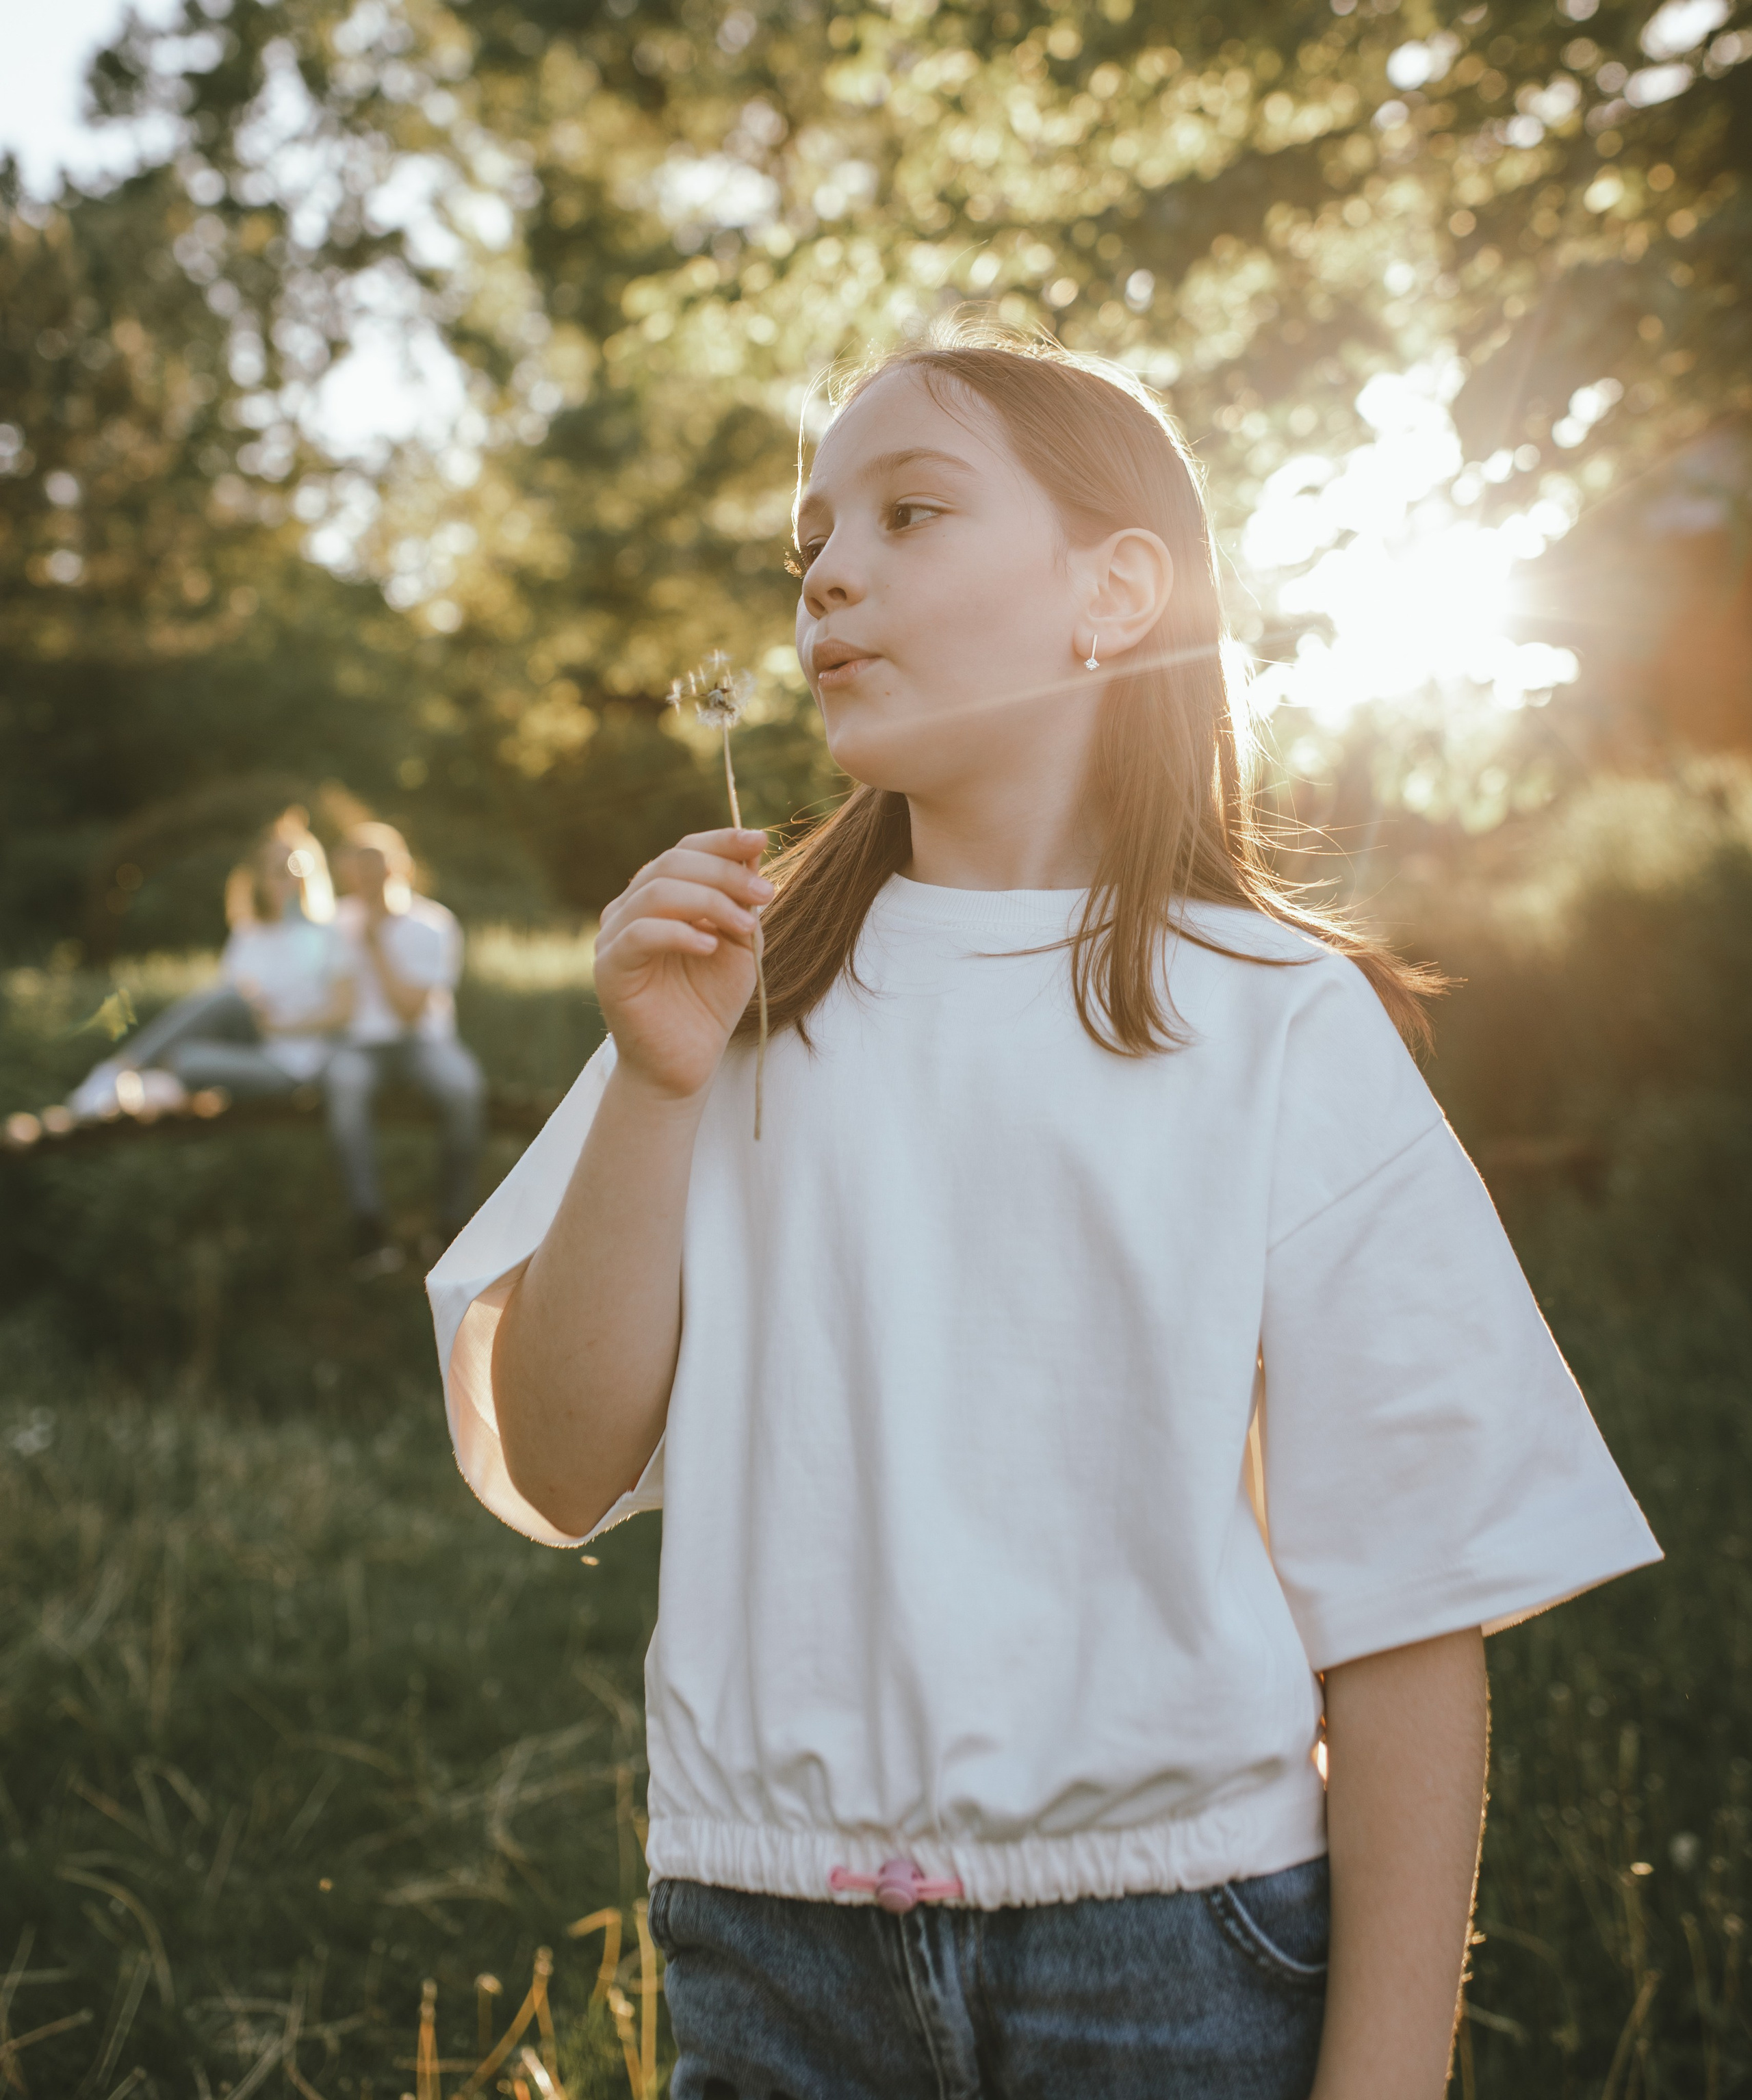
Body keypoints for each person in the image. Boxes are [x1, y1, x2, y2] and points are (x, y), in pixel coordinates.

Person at [428, 326, 1661, 2099]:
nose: (831, 573)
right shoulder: (741, 998)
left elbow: (1406, 1603)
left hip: (1173, 1939)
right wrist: (652, 1085)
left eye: (910, 512)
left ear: (1118, 591)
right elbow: (559, 1460)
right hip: (770, 1935)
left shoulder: (1272, 1021)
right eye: (809, 545)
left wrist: (1385, 2074)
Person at [68, 809, 352, 1120]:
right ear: (261, 878)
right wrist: (253, 1002)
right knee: (225, 999)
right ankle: (120, 1072)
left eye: (296, 868)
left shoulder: (328, 934)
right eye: (279, 870)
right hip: (248, 1042)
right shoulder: (249, 935)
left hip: (296, 1064)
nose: (290, 878)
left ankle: (127, 1080)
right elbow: (224, 1003)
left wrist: (279, 1025)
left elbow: (341, 1013)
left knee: (184, 1060)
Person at [328, 822, 485, 1275]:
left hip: (424, 1042)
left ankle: (452, 1226)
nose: (370, 877)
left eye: (379, 865)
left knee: (462, 1090)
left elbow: (410, 1010)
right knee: (343, 1088)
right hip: (360, 1047)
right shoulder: (336, 922)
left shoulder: (433, 923)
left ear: (402, 867)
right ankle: (369, 1225)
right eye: (361, 868)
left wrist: (375, 943)